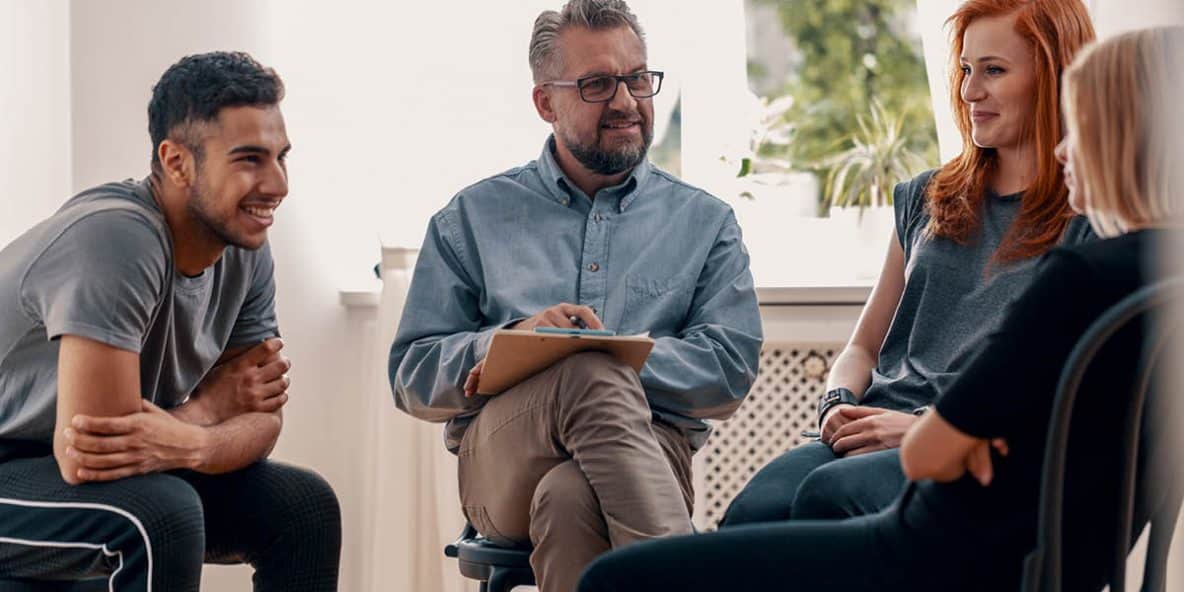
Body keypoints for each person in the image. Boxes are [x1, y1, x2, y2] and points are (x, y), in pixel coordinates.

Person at [579, 24, 1184, 592]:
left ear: (1122, 140)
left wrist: (942, 429)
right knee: (759, 507)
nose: (1062, 150)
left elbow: (936, 448)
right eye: (967, 68)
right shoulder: (1155, 278)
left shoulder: (1080, 272)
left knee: (616, 578)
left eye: (1080, 129)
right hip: (1016, 539)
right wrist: (871, 409)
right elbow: (1040, 416)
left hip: (937, 544)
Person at [387, 1, 763, 589]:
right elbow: (410, 376)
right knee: (588, 372)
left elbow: (729, 371)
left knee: (568, 498)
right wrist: (515, 342)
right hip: (502, 460)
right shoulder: (471, 217)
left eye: (638, 78)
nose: (626, 101)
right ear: (545, 102)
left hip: (653, 450)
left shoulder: (705, 222)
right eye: (597, 84)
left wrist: (614, 352)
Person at [722, 0, 1097, 526]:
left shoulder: (1088, 222)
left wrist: (921, 429)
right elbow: (863, 347)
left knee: (828, 499)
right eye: (966, 70)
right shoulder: (926, 197)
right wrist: (836, 403)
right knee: (751, 512)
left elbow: (1057, 395)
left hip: (963, 448)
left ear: (1055, 74)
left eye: (993, 70)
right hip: (869, 429)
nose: (969, 91)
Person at [0, 52, 341, 590]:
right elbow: (93, 454)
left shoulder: (245, 245)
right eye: (250, 158)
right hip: (17, 463)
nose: (277, 183)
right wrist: (208, 410)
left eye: (282, 157)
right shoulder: (117, 237)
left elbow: (262, 421)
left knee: (304, 507)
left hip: (58, 468)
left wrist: (196, 444)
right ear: (177, 161)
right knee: (158, 513)